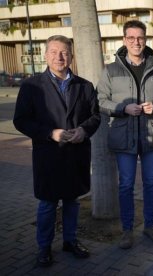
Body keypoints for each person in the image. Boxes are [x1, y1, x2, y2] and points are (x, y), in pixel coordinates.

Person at [13, 35, 101, 267]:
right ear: (45, 55)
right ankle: (44, 247)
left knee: (72, 202)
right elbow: (21, 121)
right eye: (53, 51)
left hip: (76, 155)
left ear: (71, 55)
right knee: (48, 205)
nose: (59, 56)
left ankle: (70, 241)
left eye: (64, 52)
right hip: (48, 156)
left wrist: (84, 130)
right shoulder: (31, 86)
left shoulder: (85, 86)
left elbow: (95, 116)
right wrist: (49, 133)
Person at [97, 20, 153, 248]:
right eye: (131, 38)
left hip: (151, 135)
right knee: (126, 185)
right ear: (124, 40)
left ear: (145, 39)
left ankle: (150, 226)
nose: (136, 42)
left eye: (140, 37)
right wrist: (122, 109)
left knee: (151, 183)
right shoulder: (111, 70)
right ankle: (127, 230)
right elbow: (100, 101)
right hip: (124, 136)